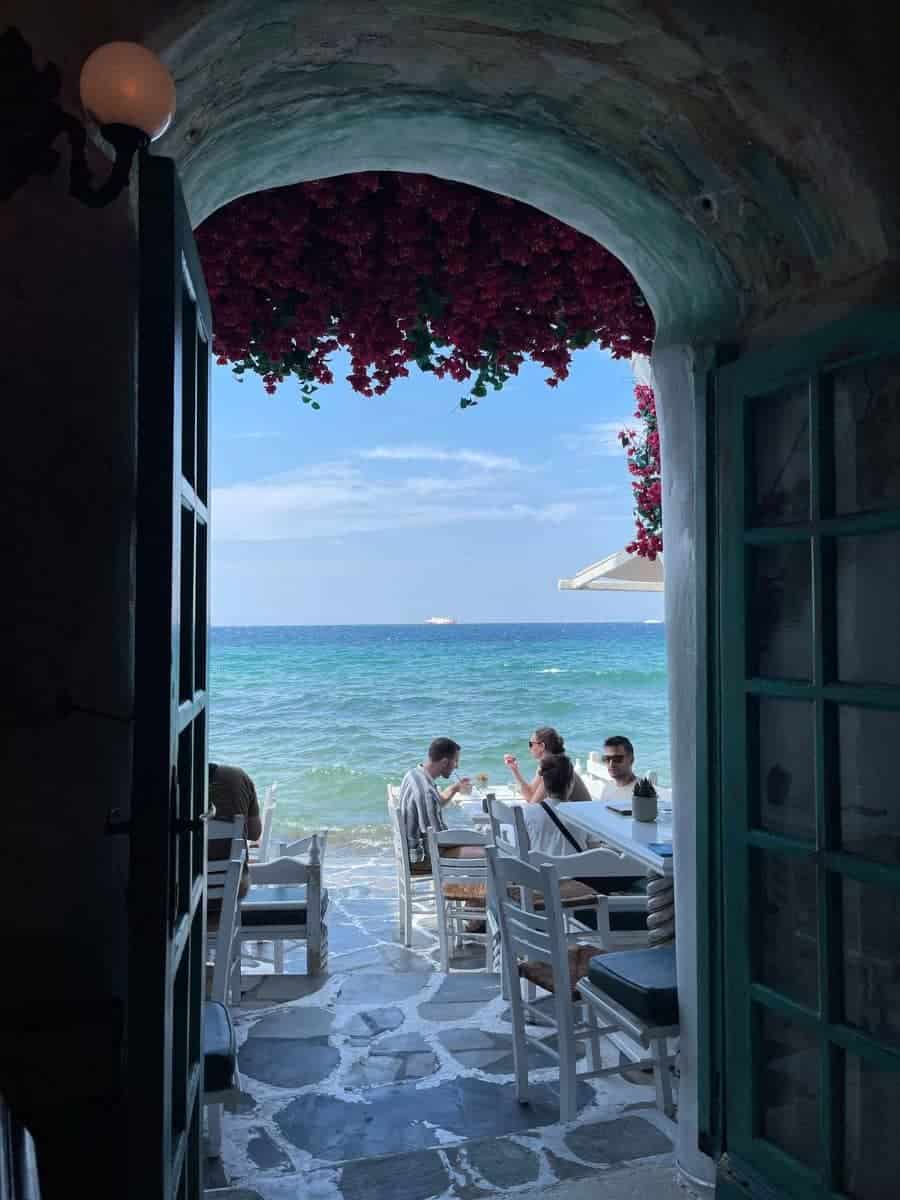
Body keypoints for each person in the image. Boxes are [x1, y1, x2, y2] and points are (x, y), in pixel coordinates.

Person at [398, 737, 482, 865]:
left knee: (477, 843)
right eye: (455, 761)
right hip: (422, 858)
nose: (457, 766)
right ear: (444, 762)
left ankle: (467, 884)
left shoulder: (413, 774)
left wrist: (455, 788)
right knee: (486, 852)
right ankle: (473, 884)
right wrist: (472, 839)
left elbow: (435, 803)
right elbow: (438, 842)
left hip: (412, 850)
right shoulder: (427, 793)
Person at [208, 761, 262, 898]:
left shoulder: (173, 781)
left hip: (190, 892)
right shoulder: (237, 776)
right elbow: (255, 833)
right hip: (235, 887)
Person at [503, 726, 592, 804]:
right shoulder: (548, 764)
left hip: (581, 820)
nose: (529, 748)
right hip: (574, 816)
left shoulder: (554, 768)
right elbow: (530, 795)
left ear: (542, 746)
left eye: (531, 744)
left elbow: (533, 803)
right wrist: (514, 770)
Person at [597, 735, 639, 804]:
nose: (611, 764)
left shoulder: (641, 792)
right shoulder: (608, 787)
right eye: (607, 759)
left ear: (631, 759)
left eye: (617, 759)